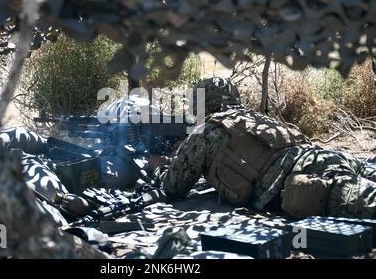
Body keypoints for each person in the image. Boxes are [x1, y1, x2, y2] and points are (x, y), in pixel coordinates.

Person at [160, 77, 376, 219]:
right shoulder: (253, 117)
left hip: (312, 177)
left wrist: (162, 165)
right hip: (327, 157)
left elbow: (173, 187)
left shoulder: (207, 131)